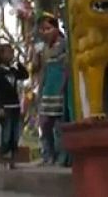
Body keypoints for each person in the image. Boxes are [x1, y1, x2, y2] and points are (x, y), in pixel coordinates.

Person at [33, 15, 68, 167]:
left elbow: (67, 67)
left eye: (48, 28)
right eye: (42, 29)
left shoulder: (64, 44)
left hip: (60, 87)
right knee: (45, 123)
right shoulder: (42, 48)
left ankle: (62, 156)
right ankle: (48, 155)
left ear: (56, 28)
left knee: (60, 125)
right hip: (46, 88)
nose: (45, 32)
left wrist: (63, 85)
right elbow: (39, 69)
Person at [0, 43, 28, 168]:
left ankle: (13, 159)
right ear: (1, 55)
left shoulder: (13, 71)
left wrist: (19, 63)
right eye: (8, 52)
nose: (10, 55)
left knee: (15, 133)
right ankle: (5, 158)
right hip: (5, 107)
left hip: (15, 105)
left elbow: (25, 75)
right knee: (6, 133)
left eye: (11, 53)